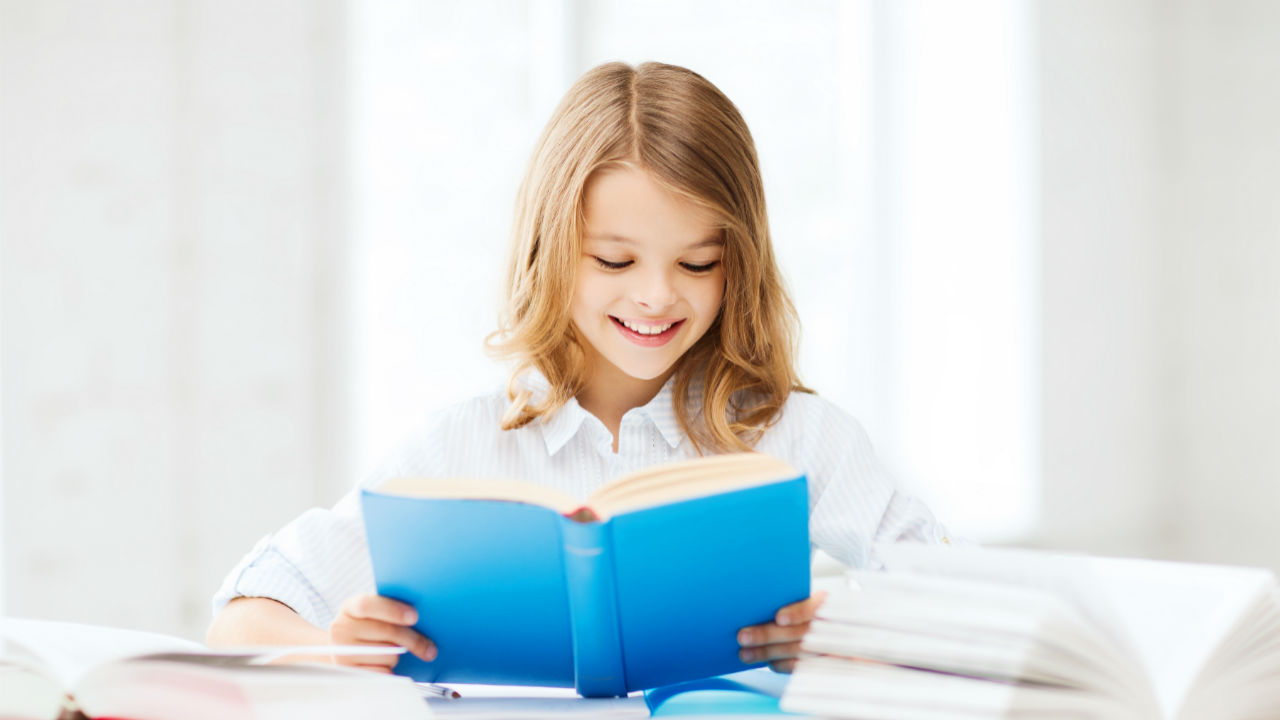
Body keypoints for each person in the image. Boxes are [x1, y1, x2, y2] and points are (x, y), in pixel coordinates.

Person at [207, 61, 949, 675]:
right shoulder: (462, 444)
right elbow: (242, 620)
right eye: (614, 260)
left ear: (740, 266)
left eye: (698, 263)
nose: (657, 295)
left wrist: (860, 633)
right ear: (550, 250)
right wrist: (336, 654)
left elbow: (968, 603)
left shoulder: (797, 436)